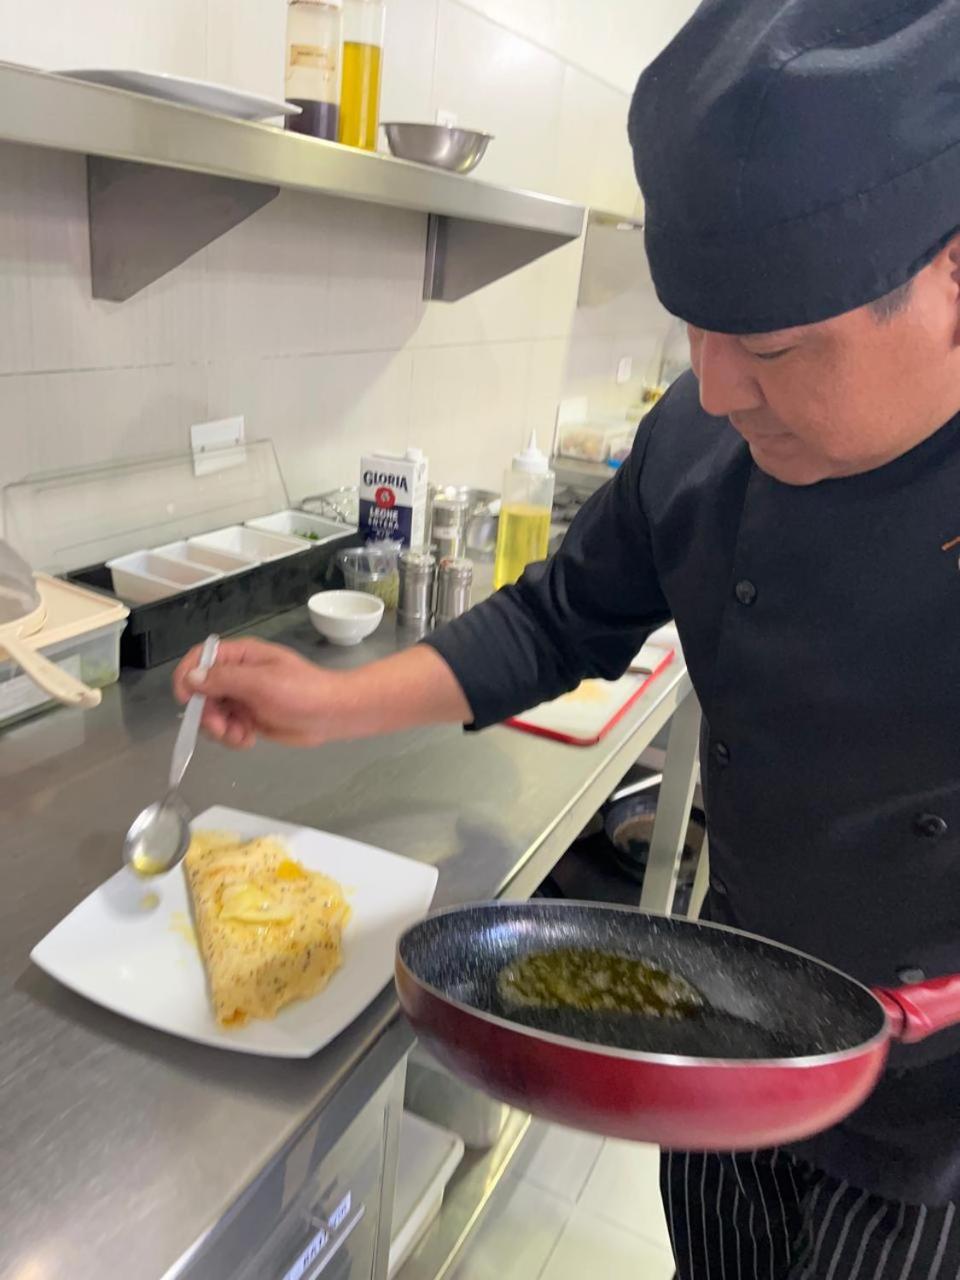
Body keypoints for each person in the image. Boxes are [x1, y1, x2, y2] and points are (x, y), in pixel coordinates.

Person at [175, 0, 960, 1274]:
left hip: (937, 1125)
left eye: (768, 344)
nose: (715, 387)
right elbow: (557, 616)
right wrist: (333, 700)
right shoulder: (701, 439)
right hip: (729, 1025)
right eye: (696, 326)